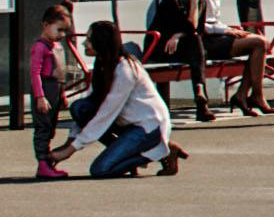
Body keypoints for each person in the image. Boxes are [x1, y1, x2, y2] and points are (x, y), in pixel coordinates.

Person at [66, 19, 185, 179]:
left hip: (148, 127)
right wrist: (71, 139)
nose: (84, 43)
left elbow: (106, 113)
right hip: (128, 123)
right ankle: (126, 155)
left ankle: (160, 151)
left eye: (89, 39)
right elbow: (94, 104)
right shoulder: (103, 64)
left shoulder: (125, 70)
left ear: (101, 42)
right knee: (80, 108)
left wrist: (72, 148)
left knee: (100, 170)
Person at [26, 0, 81, 177]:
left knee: (50, 127)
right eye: (59, 30)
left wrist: (63, 93)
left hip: (55, 89)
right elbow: (35, 74)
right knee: (43, 127)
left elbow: (61, 74)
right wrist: (40, 97)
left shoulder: (56, 46)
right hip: (45, 89)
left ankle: (46, 162)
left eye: (65, 31)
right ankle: (42, 162)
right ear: (46, 25)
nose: (62, 35)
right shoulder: (40, 47)